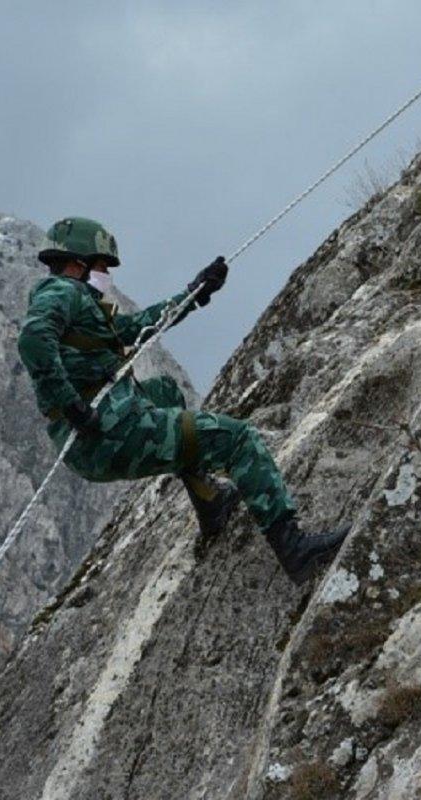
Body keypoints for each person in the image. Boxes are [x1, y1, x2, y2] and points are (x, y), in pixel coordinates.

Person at [17, 216, 347, 583]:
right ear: (78, 262)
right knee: (237, 438)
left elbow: (138, 327)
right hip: (106, 433)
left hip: (95, 438)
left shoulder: (81, 306)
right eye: (101, 265)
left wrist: (194, 293)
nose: (106, 273)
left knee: (165, 391)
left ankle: (210, 500)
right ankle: (296, 551)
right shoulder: (63, 292)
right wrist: (70, 403)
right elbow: (32, 340)